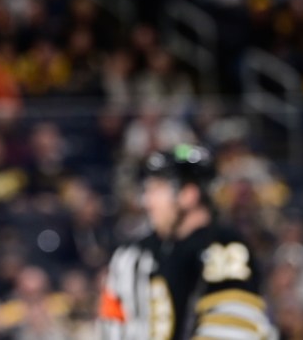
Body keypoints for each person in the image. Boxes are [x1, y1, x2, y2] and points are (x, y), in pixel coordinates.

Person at [97, 144, 274, 339]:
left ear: (188, 194)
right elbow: (112, 325)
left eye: (157, 189)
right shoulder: (132, 256)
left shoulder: (224, 247)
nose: (148, 201)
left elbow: (233, 330)